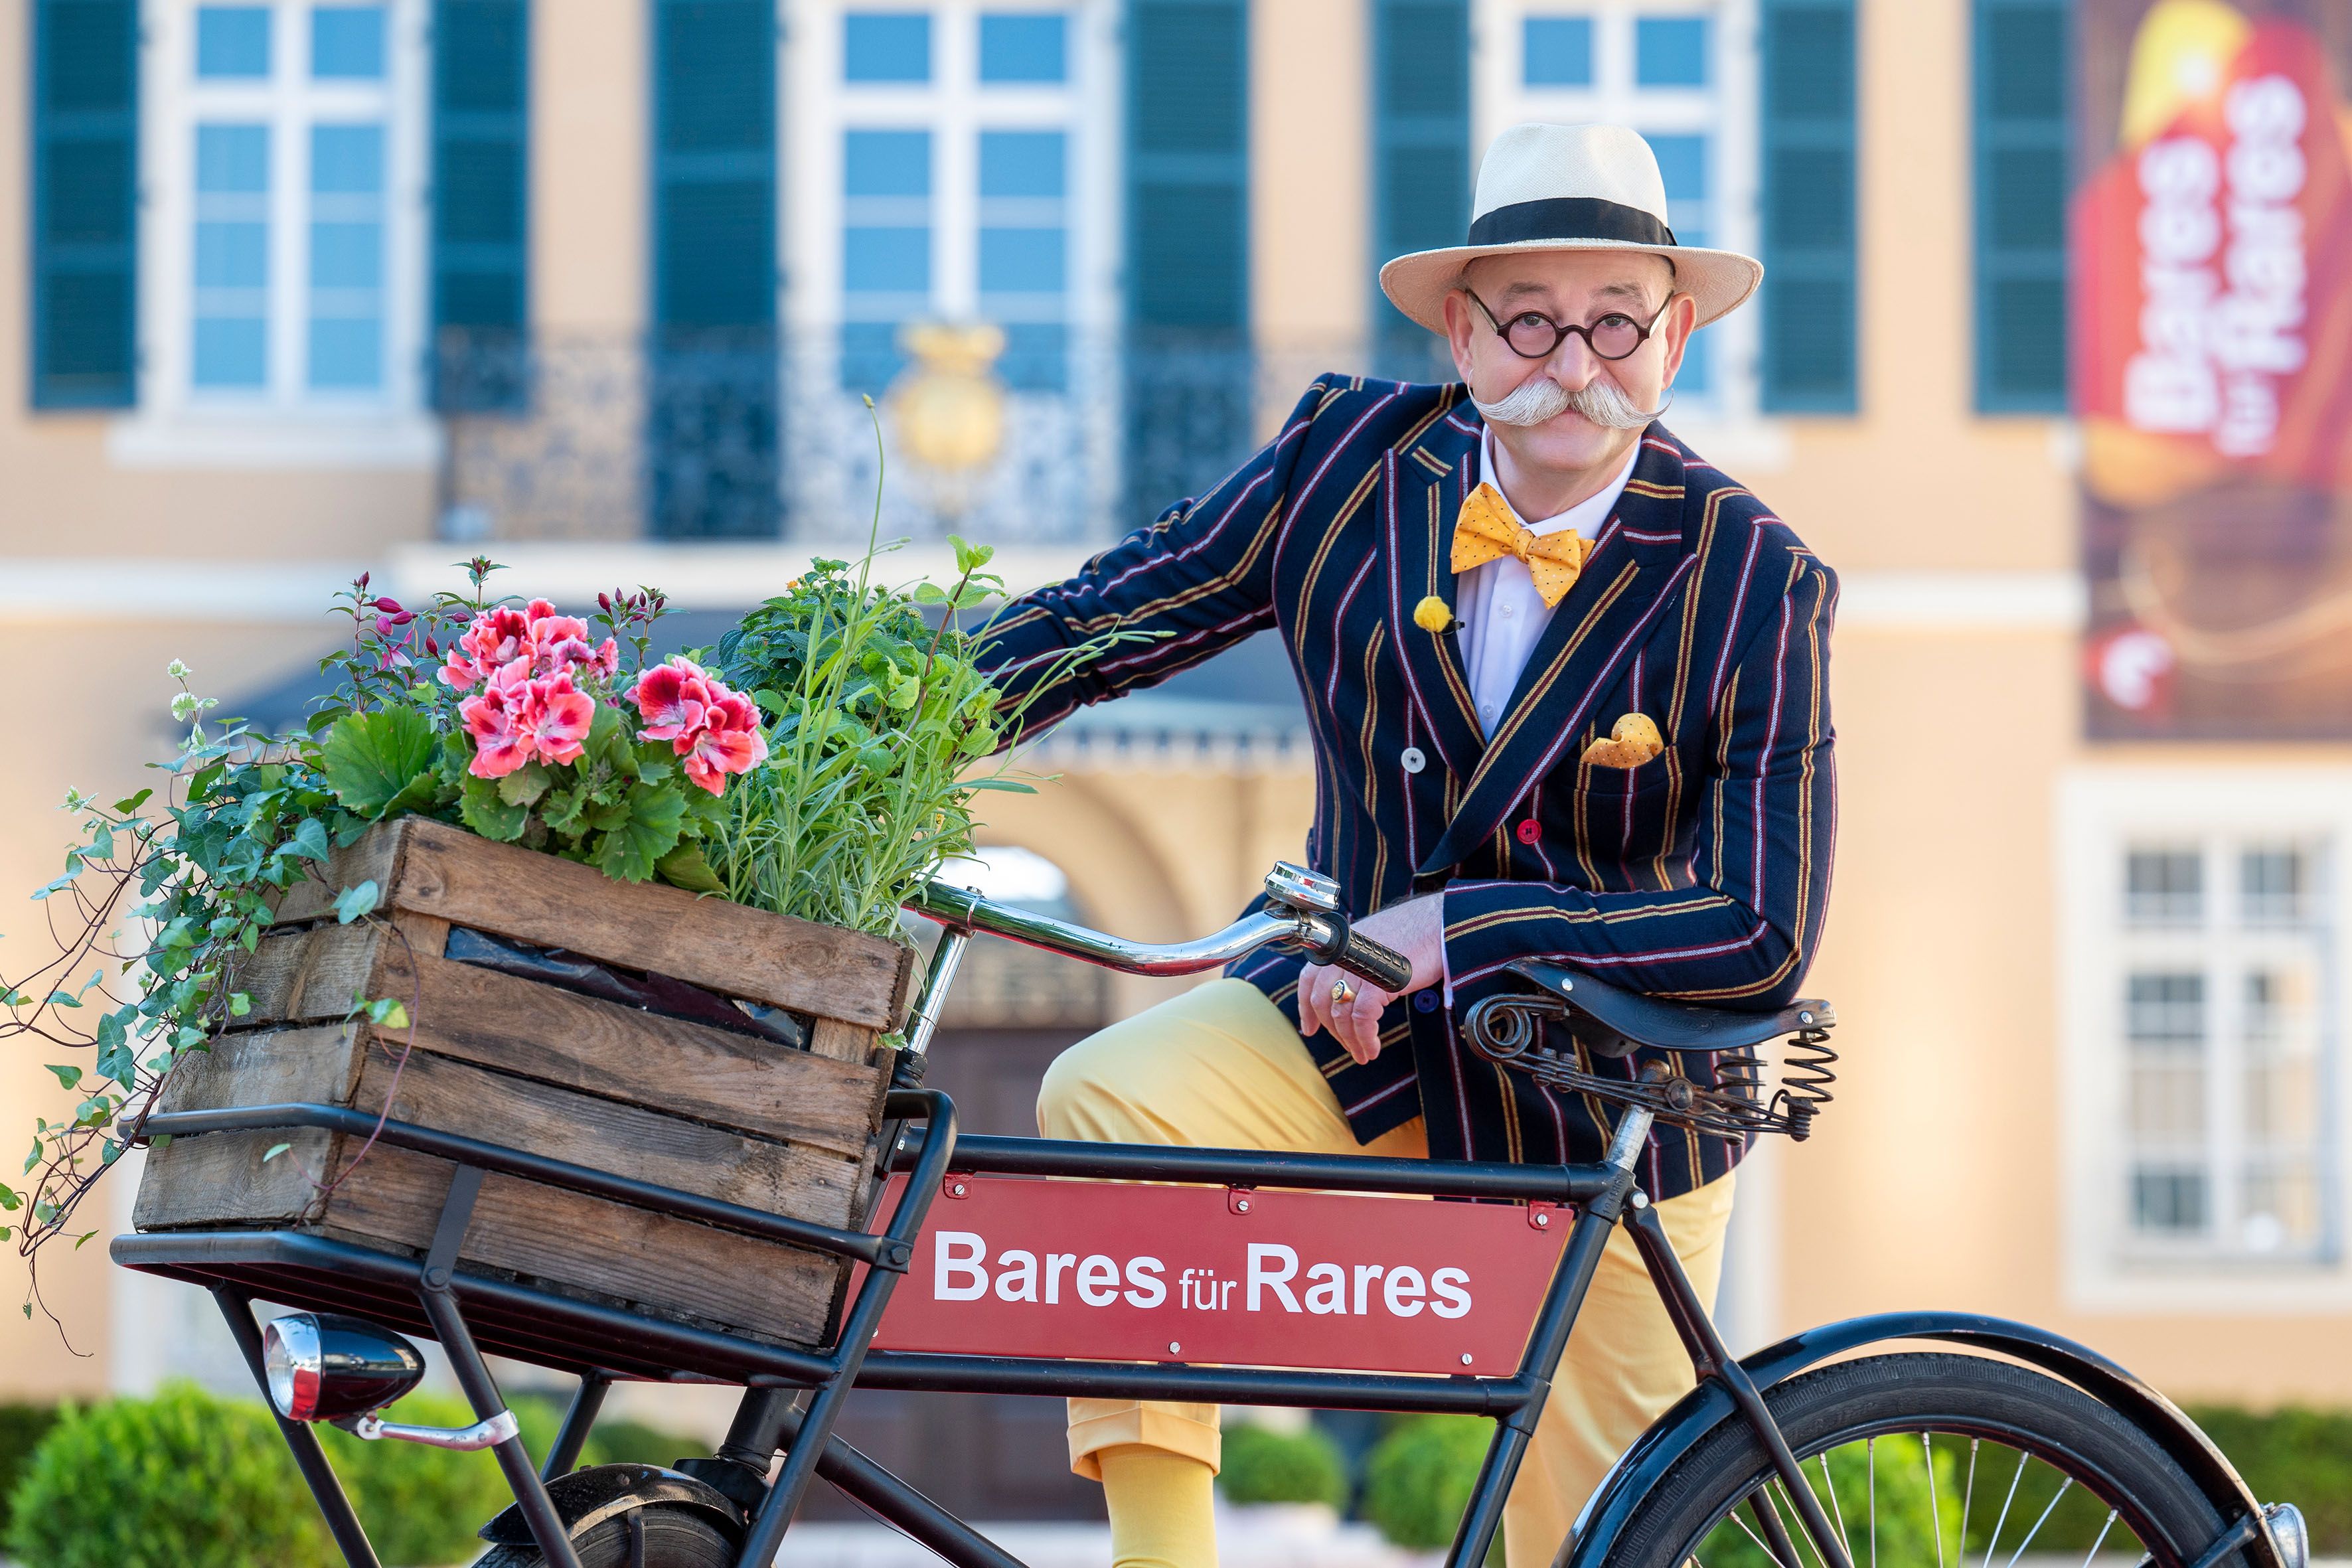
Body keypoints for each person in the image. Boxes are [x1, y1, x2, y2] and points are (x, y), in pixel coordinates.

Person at [974, 121, 1838, 1568]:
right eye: (1530, 319)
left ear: (1674, 335)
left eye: (1616, 320)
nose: (1574, 362)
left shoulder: (1756, 575)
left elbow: (1759, 929)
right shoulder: (1345, 458)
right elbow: (1104, 620)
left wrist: (1459, 927)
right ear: (1461, 327)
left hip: (1611, 1093)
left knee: (1594, 1542)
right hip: (1346, 1035)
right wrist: (860, 731)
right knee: (1109, 1099)